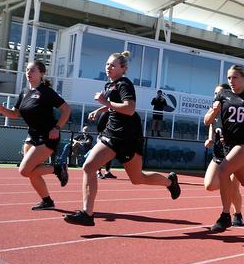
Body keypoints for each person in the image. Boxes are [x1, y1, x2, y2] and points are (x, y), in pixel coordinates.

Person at [63, 51, 182, 226]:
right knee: (89, 166)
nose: (108, 67)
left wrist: (105, 103)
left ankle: (169, 182)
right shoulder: (109, 85)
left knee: (137, 179)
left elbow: (129, 108)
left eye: (113, 65)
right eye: (107, 64)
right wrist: (101, 110)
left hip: (128, 137)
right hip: (111, 134)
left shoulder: (124, 84)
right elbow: (112, 106)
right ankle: (87, 214)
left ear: (123, 68)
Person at [0, 60, 71, 210]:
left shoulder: (47, 92)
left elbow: (66, 110)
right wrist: (0, 108)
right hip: (32, 136)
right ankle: (47, 201)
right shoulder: (24, 92)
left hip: (48, 136)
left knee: (24, 170)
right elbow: (14, 114)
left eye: (32, 70)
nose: (28, 72)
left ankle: (58, 168)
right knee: (32, 172)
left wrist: (57, 128)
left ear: (41, 73)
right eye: (27, 70)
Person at [203, 65, 244, 232]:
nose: (231, 81)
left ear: (243, 78)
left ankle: (226, 215)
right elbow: (207, 121)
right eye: (229, 78)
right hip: (225, 148)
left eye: (235, 77)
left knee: (224, 171)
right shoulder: (222, 96)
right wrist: (214, 112)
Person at [203, 83, 244, 230]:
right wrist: (210, 138)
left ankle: (237, 214)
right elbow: (209, 123)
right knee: (209, 185)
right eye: (215, 93)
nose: (216, 96)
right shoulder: (214, 109)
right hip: (219, 151)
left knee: (235, 188)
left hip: (235, 152)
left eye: (219, 93)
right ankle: (228, 185)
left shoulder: (232, 108)